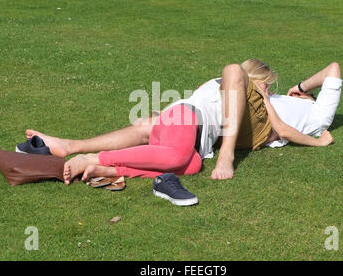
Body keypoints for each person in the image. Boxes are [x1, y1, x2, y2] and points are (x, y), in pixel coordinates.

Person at [26, 59, 278, 184]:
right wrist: (226, 154)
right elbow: (234, 75)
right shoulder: (235, 84)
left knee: (191, 165)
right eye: (266, 85)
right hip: (185, 119)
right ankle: (93, 158)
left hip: (185, 133)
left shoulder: (237, 99)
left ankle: (107, 168)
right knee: (178, 156)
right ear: (255, 79)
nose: (269, 91)